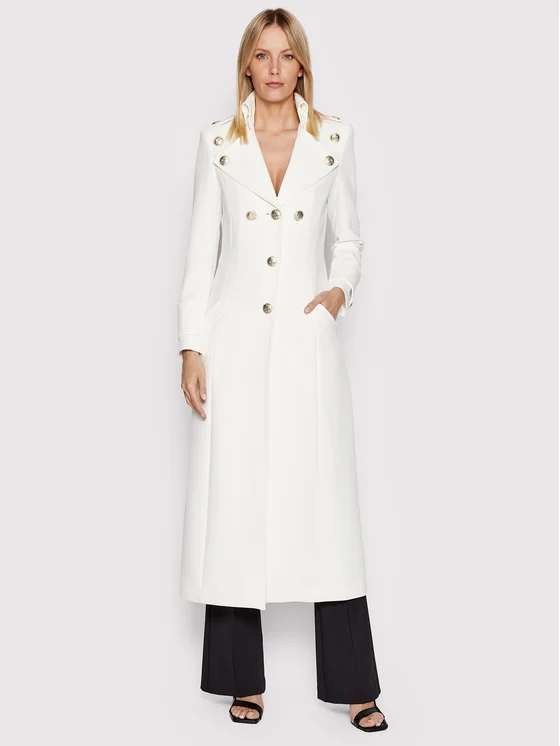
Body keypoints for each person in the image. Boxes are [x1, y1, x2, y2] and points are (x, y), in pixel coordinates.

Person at [177, 8, 388, 732]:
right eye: (262, 55)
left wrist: (338, 292)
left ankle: (356, 684)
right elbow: (200, 251)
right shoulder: (218, 143)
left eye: (286, 55)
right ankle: (242, 679)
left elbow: (350, 239)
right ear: (247, 64)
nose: (274, 68)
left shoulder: (334, 139)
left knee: (329, 514)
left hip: (306, 345)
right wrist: (191, 345)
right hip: (235, 345)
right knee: (237, 507)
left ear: (302, 65)